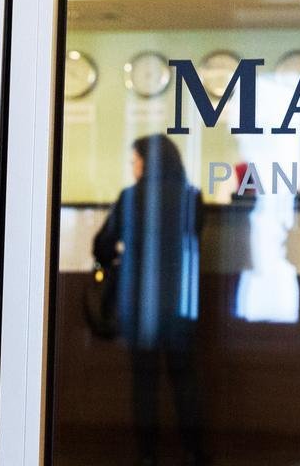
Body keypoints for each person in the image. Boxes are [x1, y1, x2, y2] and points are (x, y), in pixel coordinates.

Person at [94, 135, 209, 466]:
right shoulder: (191, 197)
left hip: (140, 303)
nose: (133, 167)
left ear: (147, 162)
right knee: (184, 380)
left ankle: (147, 456)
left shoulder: (130, 197)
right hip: (180, 303)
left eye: (135, 160)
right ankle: (193, 452)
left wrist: (118, 257)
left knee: (144, 382)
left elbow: (102, 244)